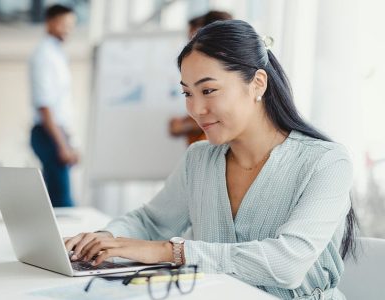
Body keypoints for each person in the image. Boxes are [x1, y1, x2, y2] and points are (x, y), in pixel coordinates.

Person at [65, 20, 358, 299]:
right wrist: (103, 239)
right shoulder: (199, 159)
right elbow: (151, 222)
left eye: (208, 90)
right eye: (187, 93)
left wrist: (170, 252)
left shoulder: (326, 162)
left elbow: (287, 263)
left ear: (257, 83)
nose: (196, 109)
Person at [29, 4, 79, 207]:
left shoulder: (56, 53)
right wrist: (63, 145)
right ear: (50, 22)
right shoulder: (44, 55)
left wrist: (71, 142)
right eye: (64, 24)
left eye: (71, 25)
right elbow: (45, 105)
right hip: (48, 134)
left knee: (57, 199)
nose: (68, 29)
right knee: (62, 203)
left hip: (57, 133)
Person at [169, 10, 232, 145]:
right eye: (187, 93)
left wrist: (185, 126)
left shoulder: (227, 70)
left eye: (193, 38)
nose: (191, 47)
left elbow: (226, 113)